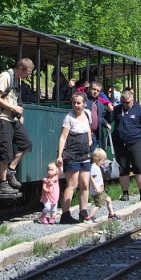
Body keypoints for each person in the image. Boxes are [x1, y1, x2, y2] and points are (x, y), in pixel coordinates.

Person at [0, 58, 34, 194]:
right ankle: (3, 183)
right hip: (2, 118)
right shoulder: (5, 77)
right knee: (6, 152)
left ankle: (11, 170)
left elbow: (15, 99)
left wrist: (19, 113)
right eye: (27, 72)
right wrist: (13, 108)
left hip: (12, 119)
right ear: (20, 68)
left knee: (26, 143)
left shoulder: (17, 79)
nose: (28, 75)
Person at [109, 89, 141, 201]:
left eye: (128, 102)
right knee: (123, 169)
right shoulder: (117, 110)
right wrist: (109, 112)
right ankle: (125, 194)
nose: (125, 104)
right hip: (120, 144)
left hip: (135, 142)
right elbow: (107, 120)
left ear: (132, 100)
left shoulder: (139, 111)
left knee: (138, 167)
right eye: (123, 102)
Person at [56, 92, 93, 223]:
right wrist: (60, 155)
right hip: (72, 153)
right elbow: (63, 137)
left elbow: (89, 129)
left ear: (84, 104)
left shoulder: (88, 113)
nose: (76, 105)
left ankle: (83, 212)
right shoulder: (69, 118)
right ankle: (65, 214)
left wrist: (89, 141)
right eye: (74, 103)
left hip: (85, 154)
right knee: (72, 184)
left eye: (79, 103)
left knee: (84, 184)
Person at [87, 149, 118, 220]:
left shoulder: (96, 167)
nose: (104, 162)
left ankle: (111, 214)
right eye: (103, 160)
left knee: (108, 200)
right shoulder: (94, 168)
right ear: (99, 160)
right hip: (97, 191)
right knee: (98, 205)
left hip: (100, 190)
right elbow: (91, 178)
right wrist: (96, 187)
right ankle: (89, 217)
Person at [84, 80, 113, 151]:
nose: (95, 92)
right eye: (94, 89)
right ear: (89, 89)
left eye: (98, 90)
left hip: (96, 135)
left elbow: (101, 119)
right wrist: (70, 88)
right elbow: (73, 98)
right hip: (84, 135)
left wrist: (106, 123)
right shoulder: (84, 99)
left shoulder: (100, 104)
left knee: (94, 159)